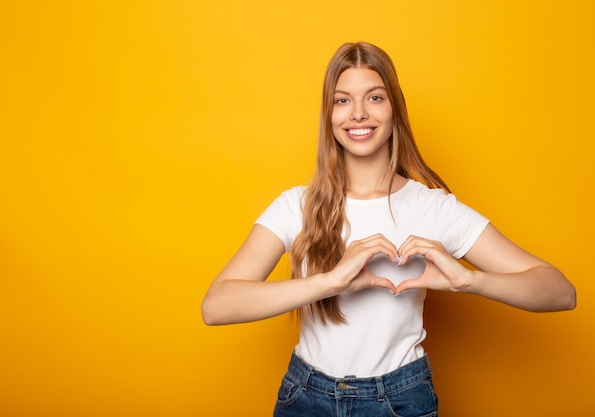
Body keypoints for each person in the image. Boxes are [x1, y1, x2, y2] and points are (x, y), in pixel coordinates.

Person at [201, 42, 576, 417]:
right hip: (305, 397)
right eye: (342, 100)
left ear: (394, 107)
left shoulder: (433, 207)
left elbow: (560, 292)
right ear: (329, 115)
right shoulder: (295, 205)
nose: (359, 114)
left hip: (398, 399)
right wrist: (331, 282)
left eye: (374, 97)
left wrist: (467, 280)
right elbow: (217, 306)